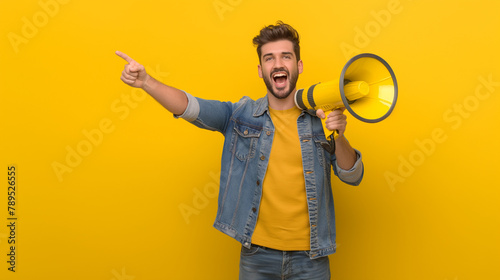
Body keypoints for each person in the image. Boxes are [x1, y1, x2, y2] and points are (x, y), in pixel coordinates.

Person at [116, 21, 363, 280]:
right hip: (257, 257)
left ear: (298, 66)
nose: (278, 64)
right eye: (269, 58)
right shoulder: (240, 115)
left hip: (312, 258)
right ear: (261, 70)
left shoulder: (320, 118)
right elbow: (191, 107)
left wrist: (340, 136)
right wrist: (146, 82)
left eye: (286, 57)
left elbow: (352, 176)